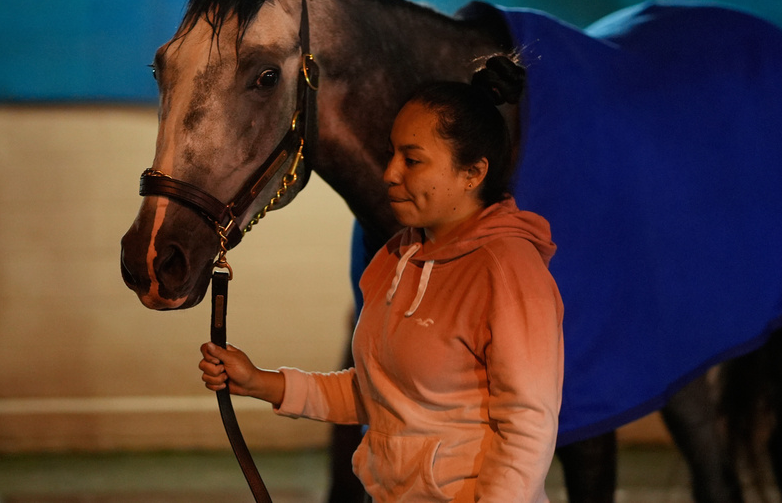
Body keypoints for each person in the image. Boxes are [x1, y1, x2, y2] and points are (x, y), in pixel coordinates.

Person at [199, 56, 565, 503]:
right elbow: (376, 392)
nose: (390, 173)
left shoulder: (508, 269)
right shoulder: (396, 257)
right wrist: (261, 382)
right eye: (392, 154)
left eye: (412, 160)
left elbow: (527, 425)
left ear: (473, 173)